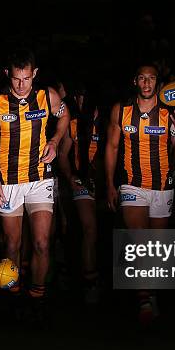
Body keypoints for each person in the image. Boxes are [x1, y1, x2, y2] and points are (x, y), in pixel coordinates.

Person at [0, 49, 70, 320]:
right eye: (17, 79)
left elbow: (64, 116)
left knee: (42, 243)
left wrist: (54, 141)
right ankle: (14, 295)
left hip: (40, 179)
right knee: (11, 245)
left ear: (35, 75)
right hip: (7, 182)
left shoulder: (47, 96)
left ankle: (37, 297)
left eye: (27, 79)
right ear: (8, 74)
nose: (21, 85)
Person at [104, 62, 175, 325]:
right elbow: (111, 147)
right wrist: (109, 183)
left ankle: (150, 290)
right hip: (132, 185)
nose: (146, 83)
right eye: (142, 78)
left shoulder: (170, 114)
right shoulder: (121, 111)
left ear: (158, 83)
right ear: (135, 82)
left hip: (163, 186)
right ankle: (145, 299)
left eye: (151, 78)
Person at [57, 82, 102, 304]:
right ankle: (89, 281)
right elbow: (63, 153)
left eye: (85, 96)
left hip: (105, 181)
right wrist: (71, 178)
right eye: (78, 96)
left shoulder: (108, 115)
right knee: (87, 226)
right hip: (80, 179)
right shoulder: (71, 120)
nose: (81, 101)